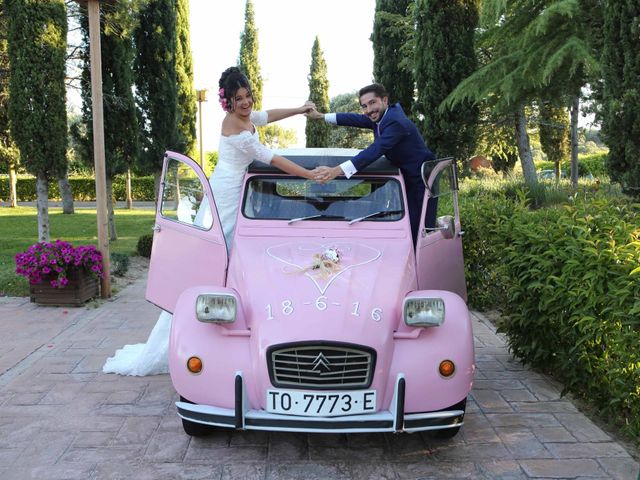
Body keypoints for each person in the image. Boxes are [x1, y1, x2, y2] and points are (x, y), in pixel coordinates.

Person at [103, 66, 322, 376]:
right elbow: (270, 158)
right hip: (225, 199)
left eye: (247, 97)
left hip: (234, 194)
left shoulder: (246, 118)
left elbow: (266, 116)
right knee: (209, 262)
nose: (245, 103)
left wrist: (300, 109)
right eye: (238, 99)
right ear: (228, 103)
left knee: (226, 260)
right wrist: (310, 175)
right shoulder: (235, 127)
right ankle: (188, 334)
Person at [306, 83, 436, 243]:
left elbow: (375, 150)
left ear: (385, 100)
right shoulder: (382, 117)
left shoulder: (395, 122)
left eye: (372, 103)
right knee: (405, 227)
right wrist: (320, 116)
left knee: (418, 233)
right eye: (364, 106)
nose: (368, 110)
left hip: (420, 183)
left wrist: (336, 171)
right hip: (405, 179)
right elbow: (355, 119)